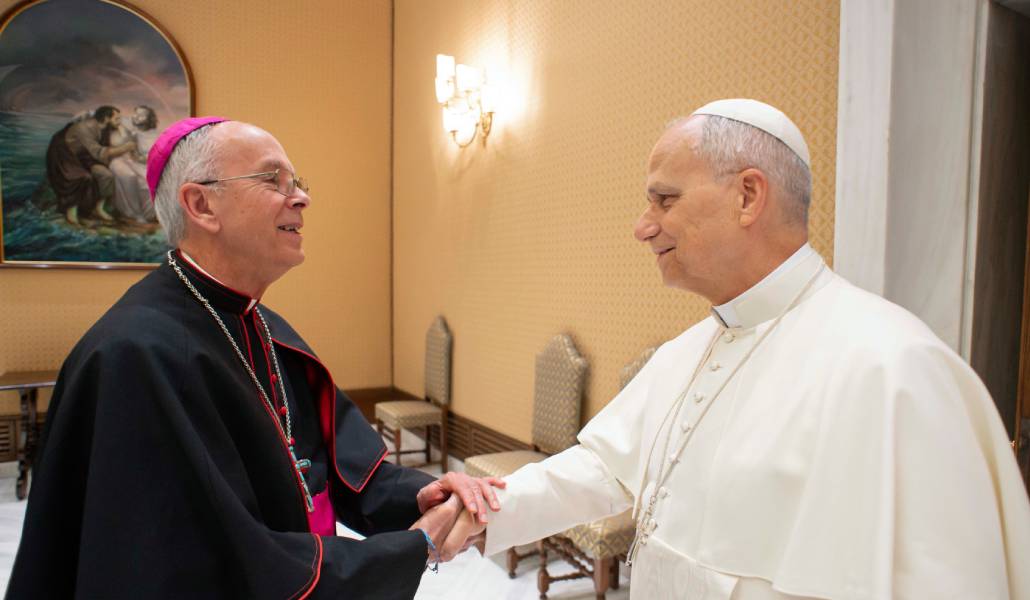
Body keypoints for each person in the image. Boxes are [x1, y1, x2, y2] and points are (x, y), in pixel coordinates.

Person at [440, 99, 1030, 599]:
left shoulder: (897, 368)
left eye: (664, 200)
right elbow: (604, 468)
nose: (643, 227)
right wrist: (480, 512)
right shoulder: (687, 350)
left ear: (748, 195)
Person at [8, 116, 500, 599]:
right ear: (201, 205)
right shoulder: (135, 357)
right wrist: (413, 548)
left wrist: (422, 495)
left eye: (298, 182)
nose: (302, 198)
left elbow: (335, 469)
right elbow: (221, 565)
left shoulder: (263, 325)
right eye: (273, 180)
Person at [45, 105, 136, 224]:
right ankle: (71, 213)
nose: (119, 121)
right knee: (83, 177)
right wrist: (124, 148)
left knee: (107, 175)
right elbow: (99, 153)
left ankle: (99, 208)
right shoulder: (84, 128)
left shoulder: (104, 127)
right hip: (66, 156)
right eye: (117, 119)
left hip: (85, 156)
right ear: (106, 118)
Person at [109, 105, 160, 223]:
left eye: (142, 115)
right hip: (125, 160)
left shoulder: (154, 135)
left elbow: (156, 154)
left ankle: (148, 215)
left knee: (150, 183)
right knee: (129, 176)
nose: (137, 117)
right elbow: (109, 115)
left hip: (143, 164)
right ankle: (135, 213)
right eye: (136, 113)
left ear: (149, 119)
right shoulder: (128, 125)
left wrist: (142, 158)